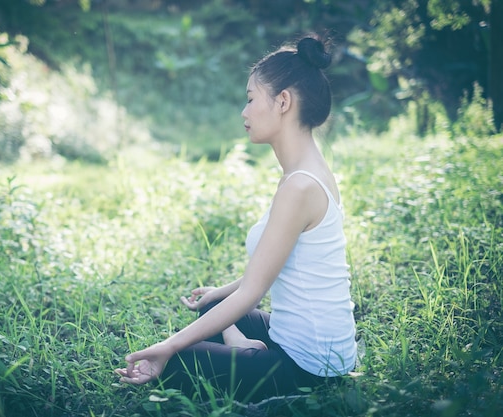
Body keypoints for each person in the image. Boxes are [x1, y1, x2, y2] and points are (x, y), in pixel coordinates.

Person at [115, 33, 357, 403]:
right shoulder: (307, 172)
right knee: (213, 306)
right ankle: (246, 347)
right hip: (307, 345)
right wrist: (221, 293)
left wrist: (167, 346)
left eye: (249, 99)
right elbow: (271, 266)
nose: (244, 113)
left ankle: (248, 352)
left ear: (283, 102)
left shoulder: (300, 186)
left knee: (175, 362)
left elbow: (252, 293)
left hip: (309, 367)